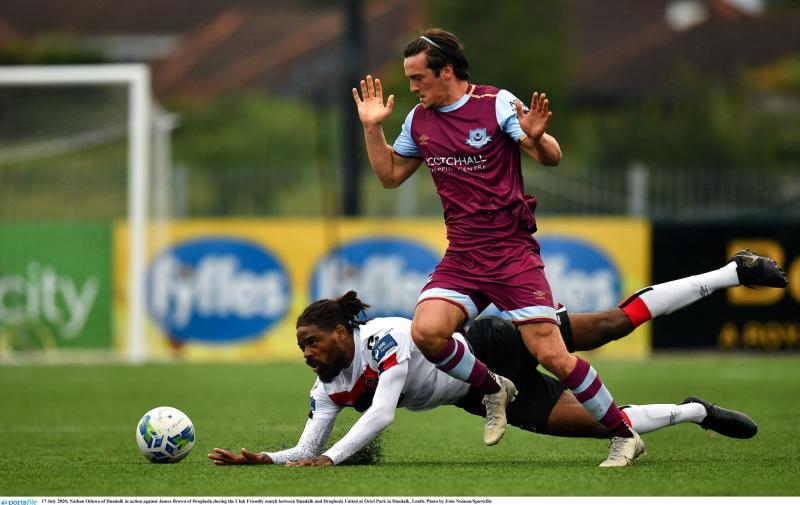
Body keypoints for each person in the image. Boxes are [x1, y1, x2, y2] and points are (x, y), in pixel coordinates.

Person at [207, 251, 786, 468]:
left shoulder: (382, 337)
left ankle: (732, 271)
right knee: (609, 425)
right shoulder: (326, 387)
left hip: (493, 344)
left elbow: (380, 416)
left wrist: (330, 463)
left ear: (341, 332)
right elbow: (307, 450)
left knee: (611, 324)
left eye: (313, 343)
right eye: (301, 348)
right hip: (478, 396)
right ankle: (694, 412)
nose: (308, 355)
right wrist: (267, 461)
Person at [352, 27, 635, 465]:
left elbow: (551, 156)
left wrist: (538, 137)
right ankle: (493, 388)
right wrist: (373, 129)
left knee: (552, 354)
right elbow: (390, 175)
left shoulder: (496, 103)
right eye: (409, 79)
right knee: (427, 331)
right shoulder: (418, 120)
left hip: (510, 253)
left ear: (446, 71)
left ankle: (623, 434)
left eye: (418, 78)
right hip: (463, 255)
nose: (411, 88)